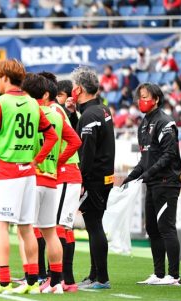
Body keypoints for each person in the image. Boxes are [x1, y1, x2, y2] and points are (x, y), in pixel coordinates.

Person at [0, 59, 58, 294]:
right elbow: (51, 137)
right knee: (25, 227)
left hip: (7, 170)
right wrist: (36, 159)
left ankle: (3, 282)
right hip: (28, 172)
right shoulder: (33, 103)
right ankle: (32, 281)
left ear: (4, 78)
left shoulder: (0, 102)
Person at [23, 72, 81, 294]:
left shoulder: (52, 111)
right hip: (55, 174)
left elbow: (73, 141)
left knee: (54, 229)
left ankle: (56, 278)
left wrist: (55, 161)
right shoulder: (52, 111)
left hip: (62, 174)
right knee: (54, 228)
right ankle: (56, 279)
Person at [123, 83, 181, 286]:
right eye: (139, 97)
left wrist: (148, 173)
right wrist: (131, 176)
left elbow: (169, 155)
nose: (141, 101)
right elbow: (145, 158)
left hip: (167, 182)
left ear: (156, 99)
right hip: (153, 182)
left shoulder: (165, 122)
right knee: (152, 228)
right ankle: (159, 274)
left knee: (166, 227)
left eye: (145, 97)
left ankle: (174, 276)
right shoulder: (143, 124)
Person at [66, 66, 115, 289]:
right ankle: (95, 275)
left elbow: (86, 151)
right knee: (95, 224)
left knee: (94, 225)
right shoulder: (102, 110)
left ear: (77, 89)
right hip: (105, 177)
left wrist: (82, 180)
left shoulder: (89, 115)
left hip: (94, 178)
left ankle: (102, 278)